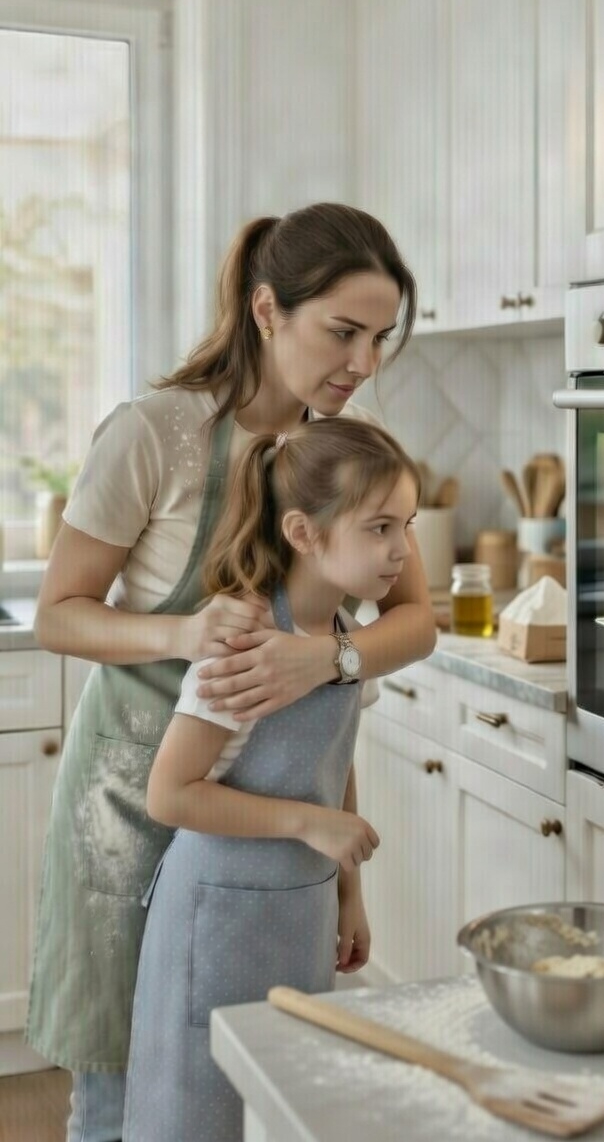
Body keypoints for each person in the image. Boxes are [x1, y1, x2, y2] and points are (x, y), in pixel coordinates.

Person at [25, 204, 436, 1142]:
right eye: (343, 331)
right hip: (132, 800)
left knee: (250, 1080)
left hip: (265, 827)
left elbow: (414, 624)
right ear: (266, 309)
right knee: (124, 1084)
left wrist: (324, 658)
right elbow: (58, 615)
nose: (363, 362)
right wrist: (184, 635)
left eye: (379, 337)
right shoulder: (152, 432)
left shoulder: (341, 456)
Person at [121, 417, 419, 1142]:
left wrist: (349, 892)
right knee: (202, 1117)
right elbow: (171, 794)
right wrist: (308, 824)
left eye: (406, 524)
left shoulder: (344, 637)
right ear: (304, 532)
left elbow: (333, 757)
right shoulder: (244, 646)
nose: (403, 551)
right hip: (215, 924)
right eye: (380, 527)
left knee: (284, 1112)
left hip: (299, 912)